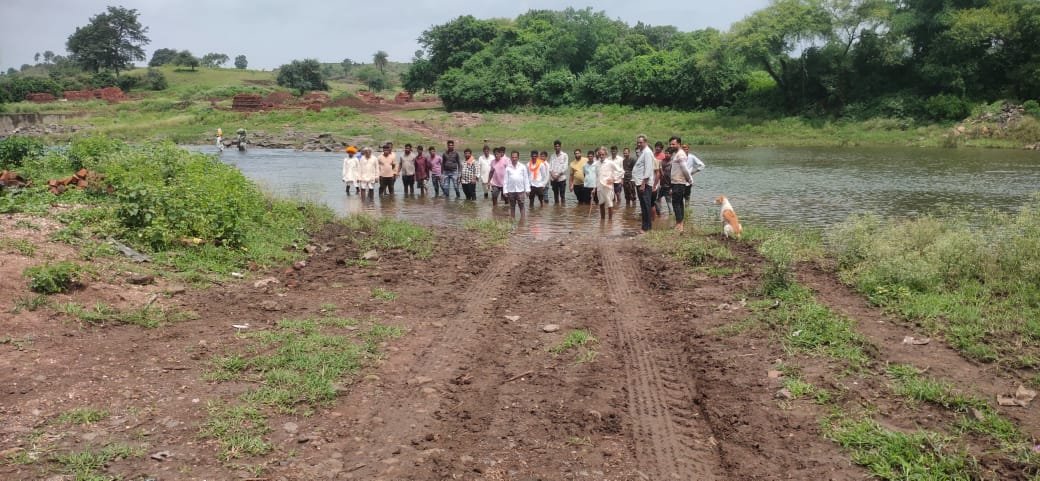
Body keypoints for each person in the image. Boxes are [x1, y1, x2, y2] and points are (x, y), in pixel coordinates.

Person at [668, 136, 694, 233]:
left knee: (676, 203)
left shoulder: (680, 154)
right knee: (679, 203)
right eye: (670, 144)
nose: (671, 145)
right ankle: (680, 224)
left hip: (679, 182)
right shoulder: (677, 154)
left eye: (673, 144)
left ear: (679, 144)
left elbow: (684, 168)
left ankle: (679, 225)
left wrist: (689, 179)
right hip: (677, 182)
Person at [633, 135, 656, 233]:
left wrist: (643, 184)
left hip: (644, 184)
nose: (638, 144)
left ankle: (647, 228)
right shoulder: (642, 152)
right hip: (640, 182)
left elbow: (648, 169)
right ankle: (645, 227)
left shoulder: (647, 152)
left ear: (645, 142)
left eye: (640, 142)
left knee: (646, 206)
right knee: (643, 205)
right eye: (637, 142)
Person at [503, 150, 531, 220]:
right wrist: (505, 191)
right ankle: (512, 221)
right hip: (511, 190)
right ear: (510, 158)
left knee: (522, 206)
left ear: (518, 158)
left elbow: (526, 179)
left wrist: (527, 189)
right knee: (512, 207)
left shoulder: (522, 167)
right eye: (513, 157)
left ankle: (523, 221)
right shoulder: (508, 168)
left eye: (515, 157)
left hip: (520, 190)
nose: (514, 159)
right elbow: (505, 180)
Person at [596, 146, 619, 221]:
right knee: (601, 204)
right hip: (599, 187)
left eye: (603, 154)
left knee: (609, 204)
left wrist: (613, 179)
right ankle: (602, 221)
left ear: (606, 154)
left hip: (608, 187)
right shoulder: (597, 163)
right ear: (598, 155)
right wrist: (594, 188)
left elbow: (621, 171)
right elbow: (596, 176)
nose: (601, 156)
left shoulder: (610, 163)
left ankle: (610, 222)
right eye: (600, 154)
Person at [548, 140, 569, 205]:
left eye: (558, 146)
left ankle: (562, 210)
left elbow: (565, 167)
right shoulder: (552, 156)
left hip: (561, 179)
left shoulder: (565, 155)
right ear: (554, 147)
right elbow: (550, 167)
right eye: (555, 146)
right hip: (553, 179)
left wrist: (558, 175)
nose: (557, 147)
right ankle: (556, 210)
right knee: (555, 196)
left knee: (562, 196)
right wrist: (553, 175)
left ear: (560, 147)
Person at [653, 141, 670, 217]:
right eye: (656, 146)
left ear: (661, 148)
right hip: (653, 177)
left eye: (659, 147)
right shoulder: (652, 154)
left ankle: (659, 211)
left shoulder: (663, 156)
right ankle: (656, 211)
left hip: (661, 179)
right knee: (654, 196)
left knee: (659, 196)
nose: (657, 148)